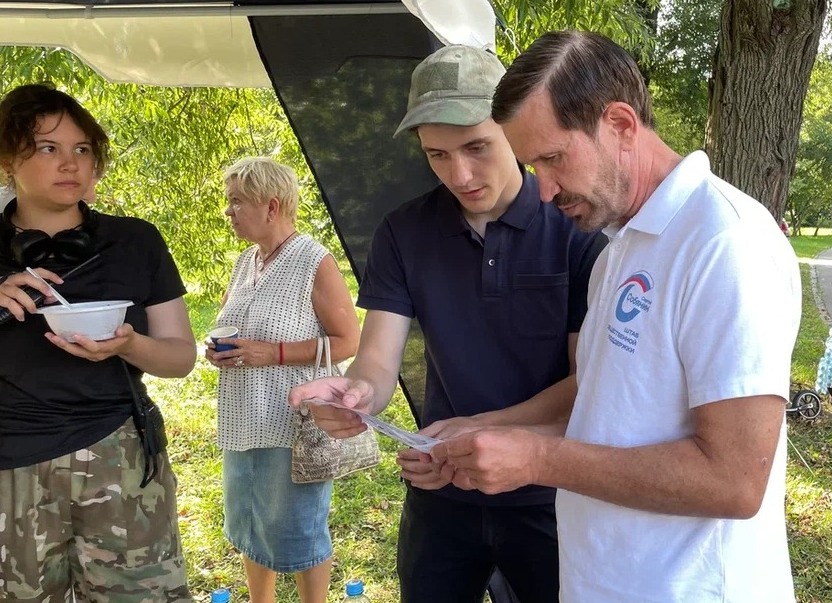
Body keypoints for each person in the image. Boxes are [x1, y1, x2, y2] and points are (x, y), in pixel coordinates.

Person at [426, 31, 800, 601]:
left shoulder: (724, 243)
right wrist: (493, 433)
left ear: (621, 125)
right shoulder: (620, 246)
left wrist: (538, 459)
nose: (544, 190)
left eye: (553, 159)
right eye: (533, 165)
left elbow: (734, 480)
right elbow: (607, 403)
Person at [287, 45, 605, 603]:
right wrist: (357, 395)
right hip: (442, 489)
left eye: (477, 147)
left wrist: (480, 430)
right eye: (437, 154)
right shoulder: (404, 231)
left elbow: (589, 385)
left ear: (513, 131)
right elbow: (378, 358)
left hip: (550, 492)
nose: (460, 174)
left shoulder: (574, 228)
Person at [0, 83, 196, 601]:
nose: (71, 163)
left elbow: (180, 357)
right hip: (9, 464)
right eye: (48, 148)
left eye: (82, 149)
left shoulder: (136, 241)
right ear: (7, 160)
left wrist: (128, 345)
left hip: (120, 457)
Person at [204, 157, 361, 603]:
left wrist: (271, 353)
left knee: (299, 529)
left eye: (237, 201)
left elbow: (349, 340)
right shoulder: (245, 261)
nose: (229, 211)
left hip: (292, 422)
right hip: (243, 417)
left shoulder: (313, 260)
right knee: (249, 523)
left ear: (271, 206)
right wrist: (219, 350)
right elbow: (235, 324)